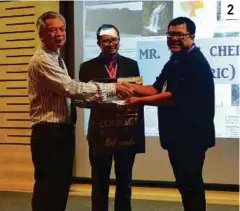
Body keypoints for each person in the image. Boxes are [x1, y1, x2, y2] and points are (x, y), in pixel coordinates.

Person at [28, 12, 132, 211]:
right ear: (41, 34)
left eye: (62, 28)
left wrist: (97, 100)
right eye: (52, 30)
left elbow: (70, 95)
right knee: (49, 188)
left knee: (58, 187)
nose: (59, 33)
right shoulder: (42, 60)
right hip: (49, 131)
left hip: (60, 130)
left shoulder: (54, 57)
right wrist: (113, 89)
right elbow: (72, 89)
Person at [124, 17, 215, 211]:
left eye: (179, 35)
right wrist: (126, 87)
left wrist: (139, 102)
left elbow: (173, 98)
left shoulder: (194, 62)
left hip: (191, 137)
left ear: (192, 36)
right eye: (170, 34)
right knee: (185, 184)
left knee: (191, 185)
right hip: (178, 137)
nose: (174, 39)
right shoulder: (175, 60)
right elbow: (157, 89)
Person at [79, 24, 145, 211]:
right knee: (99, 181)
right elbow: (81, 99)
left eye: (114, 40)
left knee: (125, 181)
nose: (111, 44)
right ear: (99, 43)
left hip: (126, 131)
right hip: (100, 133)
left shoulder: (131, 64)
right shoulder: (87, 67)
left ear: (119, 41)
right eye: (106, 41)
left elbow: (136, 93)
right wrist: (94, 101)